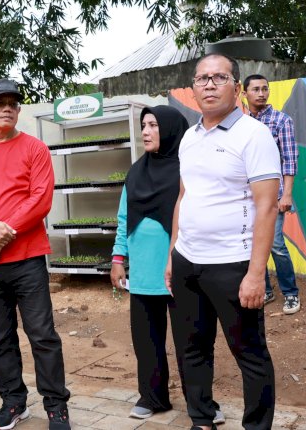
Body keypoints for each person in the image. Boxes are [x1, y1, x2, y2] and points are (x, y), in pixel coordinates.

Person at [167, 54, 281, 430]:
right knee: (191, 348)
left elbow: (267, 207)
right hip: (187, 261)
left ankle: (256, 427)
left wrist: (255, 274)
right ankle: (201, 420)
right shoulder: (189, 137)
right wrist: (172, 254)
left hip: (233, 263)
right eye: (202, 79)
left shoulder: (254, 135)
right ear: (193, 88)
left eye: (219, 77)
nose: (210, 85)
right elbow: (184, 197)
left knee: (250, 354)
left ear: (237, 87)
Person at [0, 79, 72, 430]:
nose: (7, 108)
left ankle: (56, 406)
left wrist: (1, 236)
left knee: (42, 335)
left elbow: (40, 199)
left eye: (13, 103)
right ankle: (13, 402)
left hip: (27, 259)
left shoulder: (35, 148)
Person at [110, 106, 188, 420]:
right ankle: (152, 397)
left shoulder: (188, 170)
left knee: (190, 342)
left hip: (180, 269)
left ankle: (200, 403)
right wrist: (118, 259)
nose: (145, 132)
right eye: (144, 125)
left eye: (153, 125)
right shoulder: (135, 172)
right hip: (142, 270)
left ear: (169, 130)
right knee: (146, 340)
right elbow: (123, 218)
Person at [242, 74, 301, 314]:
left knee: (276, 245)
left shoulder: (281, 121)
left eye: (265, 89)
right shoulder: (241, 123)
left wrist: (287, 195)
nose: (261, 93)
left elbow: (289, 159)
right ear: (244, 93)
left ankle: (291, 293)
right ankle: (265, 290)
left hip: (274, 196)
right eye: (255, 89)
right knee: (254, 244)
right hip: (248, 197)